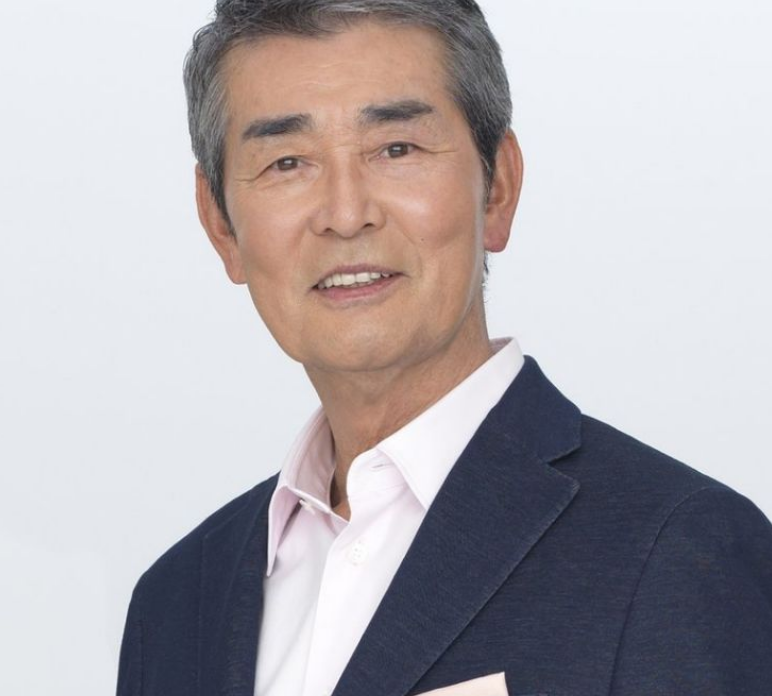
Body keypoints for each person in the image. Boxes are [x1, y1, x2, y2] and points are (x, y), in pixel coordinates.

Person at [116, 1, 772, 694]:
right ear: (220, 224)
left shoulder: (677, 552)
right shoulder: (177, 603)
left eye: (396, 149)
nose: (346, 215)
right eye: (286, 162)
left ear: (498, 188)